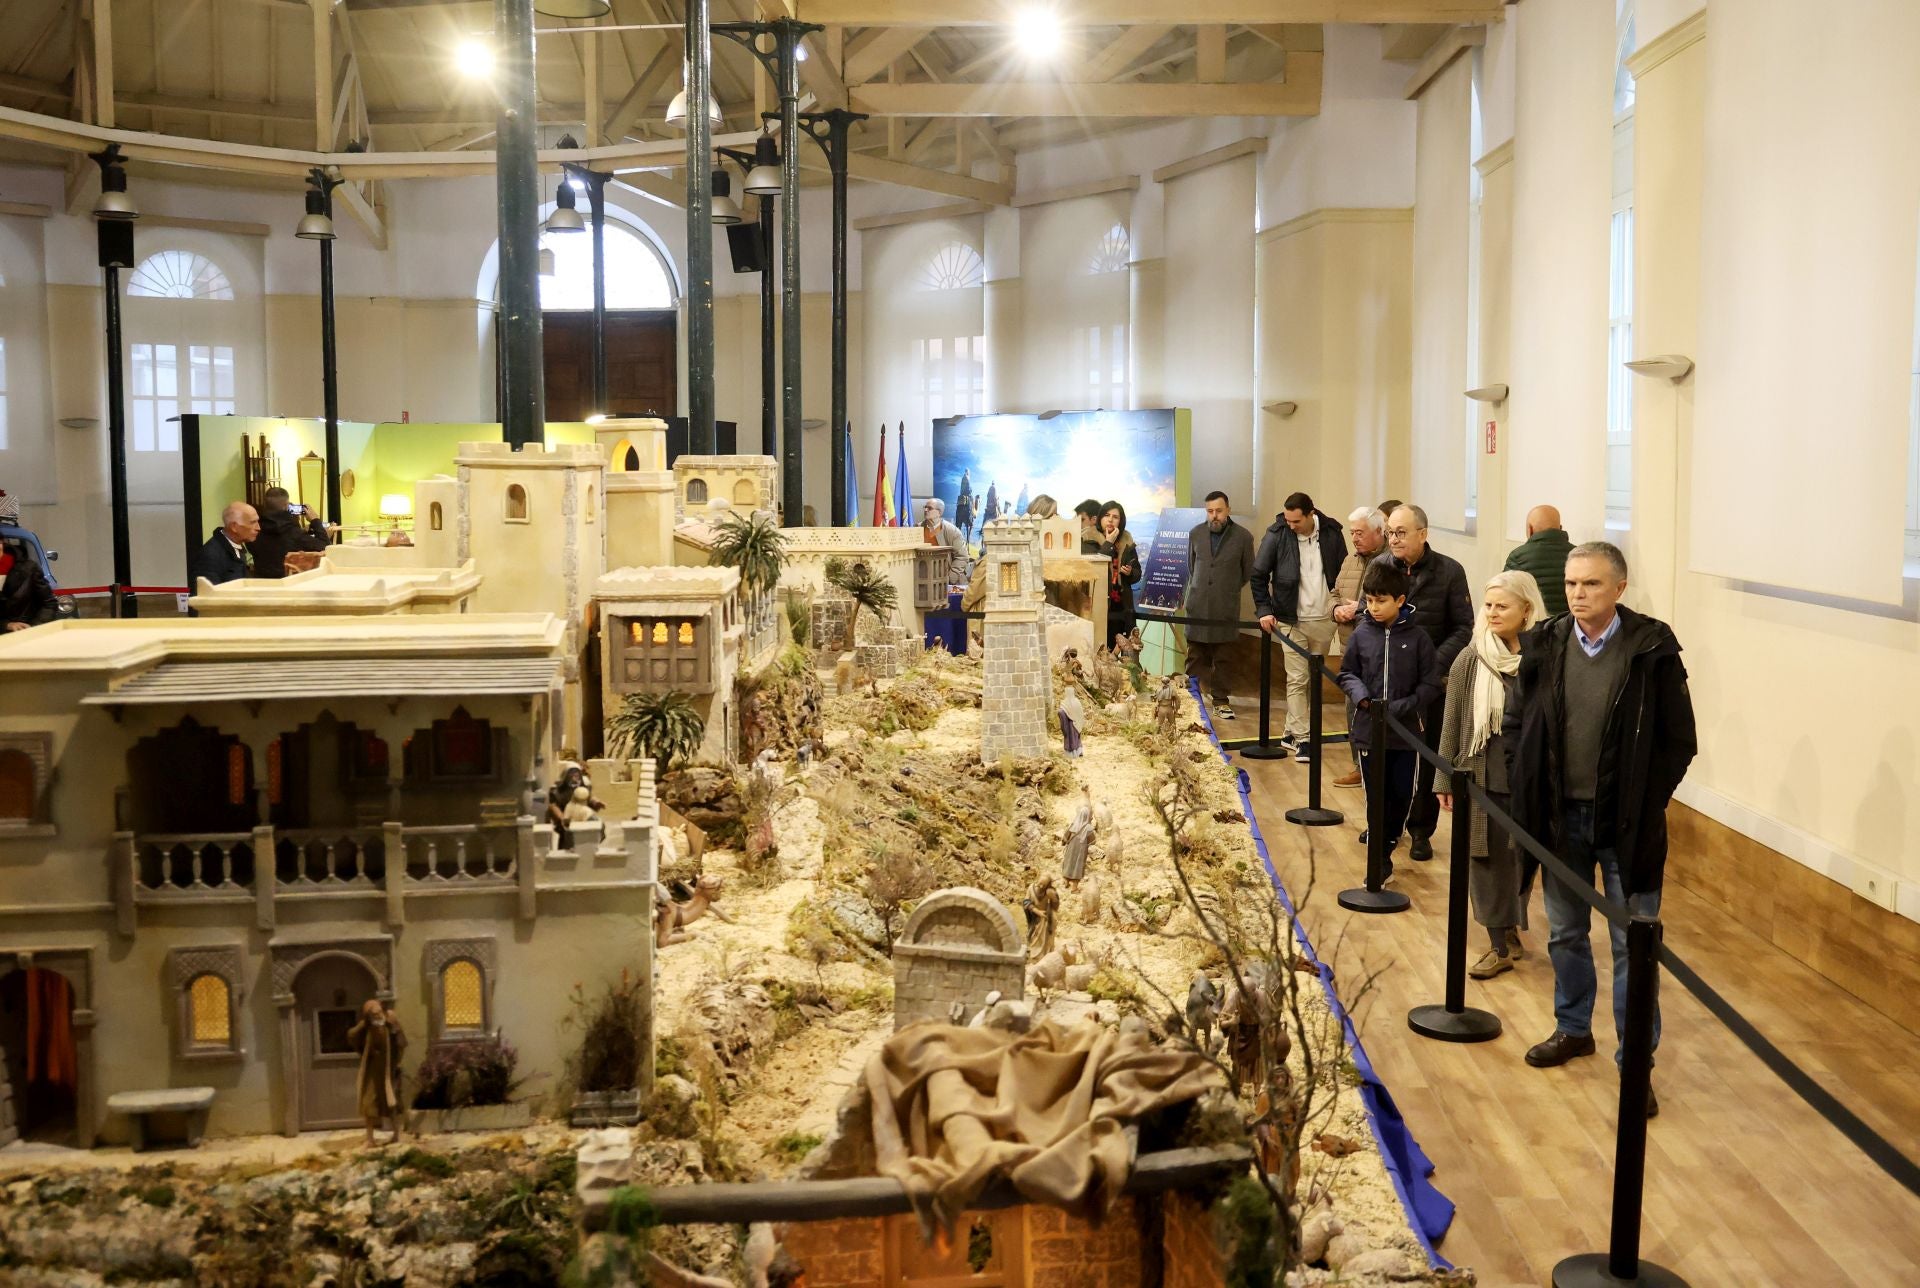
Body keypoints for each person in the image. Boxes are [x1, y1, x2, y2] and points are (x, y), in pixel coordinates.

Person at [1507, 542, 1695, 1116]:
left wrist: (1644, 801)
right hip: (1561, 818)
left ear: (1619, 586)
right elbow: (1522, 723)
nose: (1577, 594)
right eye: (1569, 584)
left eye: (1589, 584)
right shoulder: (1546, 643)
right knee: (1564, 933)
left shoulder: (1652, 647)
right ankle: (1573, 1028)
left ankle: (1636, 1066)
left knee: (1630, 946)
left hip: (1627, 827)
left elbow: (1678, 741)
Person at [1436, 570, 1548, 978]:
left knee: (1521, 861)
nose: (1493, 613)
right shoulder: (1472, 656)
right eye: (1489, 605)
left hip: (1529, 777)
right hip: (1482, 775)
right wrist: (1444, 779)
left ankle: (1509, 927)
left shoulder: (1541, 658)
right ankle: (1497, 943)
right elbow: (1452, 723)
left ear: (1526, 610)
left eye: (1503, 606)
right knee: (1484, 861)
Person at [1377, 504, 1473, 860]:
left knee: (1426, 759)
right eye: (1390, 532)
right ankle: (1384, 825)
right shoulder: (1380, 566)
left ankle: (1420, 830)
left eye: (1401, 532)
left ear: (1423, 533)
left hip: (1432, 684)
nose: (1394, 539)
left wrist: (1430, 662)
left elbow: (1463, 628)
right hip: (1387, 681)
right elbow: (1365, 615)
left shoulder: (1450, 571)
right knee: (1383, 758)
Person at [1336, 561, 1442, 879]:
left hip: (1406, 733)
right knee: (1376, 795)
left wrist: (1405, 705)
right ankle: (1380, 857)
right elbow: (1347, 673)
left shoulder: (1419, 638)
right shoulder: (1361, 635)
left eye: (1381, 601)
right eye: (1369, 600)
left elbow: (1430, 684)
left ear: (1399, 600)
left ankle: (1391, 838)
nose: (1373, 607)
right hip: (1370, 730)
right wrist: (1362, 699)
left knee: (1400, 795)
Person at [1252, 491, 1348, 762]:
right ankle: (1304, 739)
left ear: (1311, 515)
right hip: (1288, 618)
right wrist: (1264, 610)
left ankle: (1290, 732)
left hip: (1323, 618)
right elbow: (1258, 575)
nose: (1290, 525)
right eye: (1287, 520)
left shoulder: (1332, 533)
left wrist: (1339, 607)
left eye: (1296, 521)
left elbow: (1342, 572)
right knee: (1297, 679)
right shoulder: (1277, 533)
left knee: (1312, 679)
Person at [1183, 491, 1256, 720]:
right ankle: (1192, 698)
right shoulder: (1195, 533)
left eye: (1219, 511)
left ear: (1228, 510)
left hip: (1225, 607)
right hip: (1197, 605)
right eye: (1210, 511)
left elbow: (1247, 572)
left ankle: (1221, 700)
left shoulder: (1244, 537)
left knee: (1224, 657)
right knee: (1195, 655)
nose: (1214, 516)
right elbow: (1192, 567)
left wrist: (1226, 588)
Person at [1330, 507, 1389, 787]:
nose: (1354, 538)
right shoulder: (1350, 561)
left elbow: (1390, 604)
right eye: (1351, 532)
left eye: (1360, 532)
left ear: (1379, 532)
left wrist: (1361, 610)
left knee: (1371, 710)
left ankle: (1375, 768)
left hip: (1376, 651)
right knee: (1351, 708)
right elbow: (1334, 593)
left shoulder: (1390, 562)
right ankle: (1358, 766)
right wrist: (1336, 610)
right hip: (1348, 649)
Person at [347, 998, 407, 1147]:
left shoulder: (390, 1024)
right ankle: (370, 1138)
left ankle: (396, 1135)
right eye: (373, 1014)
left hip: (389, 1071)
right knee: (368, 1104)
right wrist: (364, 1024)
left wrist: (394, 1026)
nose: (377, 1016)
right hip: (372, 1072)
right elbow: (352, 1036)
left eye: (378, 1012)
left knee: (392, 1102)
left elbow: (402, 1043)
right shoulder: (367, 1028)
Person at [1504, 504, 1574, 618]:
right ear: (1560, 528)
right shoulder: (1579, 556)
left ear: (1530, 530)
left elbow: (1506, 598)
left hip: (1535, 628)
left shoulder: (1518, 557)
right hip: (1569, 628)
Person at [251, 486, 332, 579]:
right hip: (290, 584)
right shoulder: (295, 533)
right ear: (286, 506)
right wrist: (315, 521)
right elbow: (325, 548)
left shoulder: (253, 531)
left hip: (261, 584)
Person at [1098, 501, 1142, 648]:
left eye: (1115, 517)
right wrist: (1108, 543)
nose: (1110, 519)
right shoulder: (1089, 539)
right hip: (1101, 606)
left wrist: (1130, 573)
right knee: (1104, 652)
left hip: (1124, 606)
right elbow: (1094, 569)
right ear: (1100, 518)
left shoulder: (1127, 540)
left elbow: (1137, 573)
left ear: (1121, 521)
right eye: (1106, 515)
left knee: (1129, 653)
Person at [191, 502, 260, 587]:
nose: (258, 528)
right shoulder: (211, 555)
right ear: (234, 527)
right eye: (252, 522)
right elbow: (206, 596)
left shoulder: (237, 548)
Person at [1, 536, 58, 633]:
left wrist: (34, 628)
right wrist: (5, 625)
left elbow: (49, 603)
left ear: (2, 543)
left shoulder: (29, 568)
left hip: (25, 636)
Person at [921, 497, 972, 583]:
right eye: (925, 507)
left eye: (929, 508)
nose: (926, 510)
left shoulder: (952, 531)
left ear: (939, 512)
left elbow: (962, 557)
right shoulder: (918, 528)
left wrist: (950, 578)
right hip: (923, 578)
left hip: (944, 579)